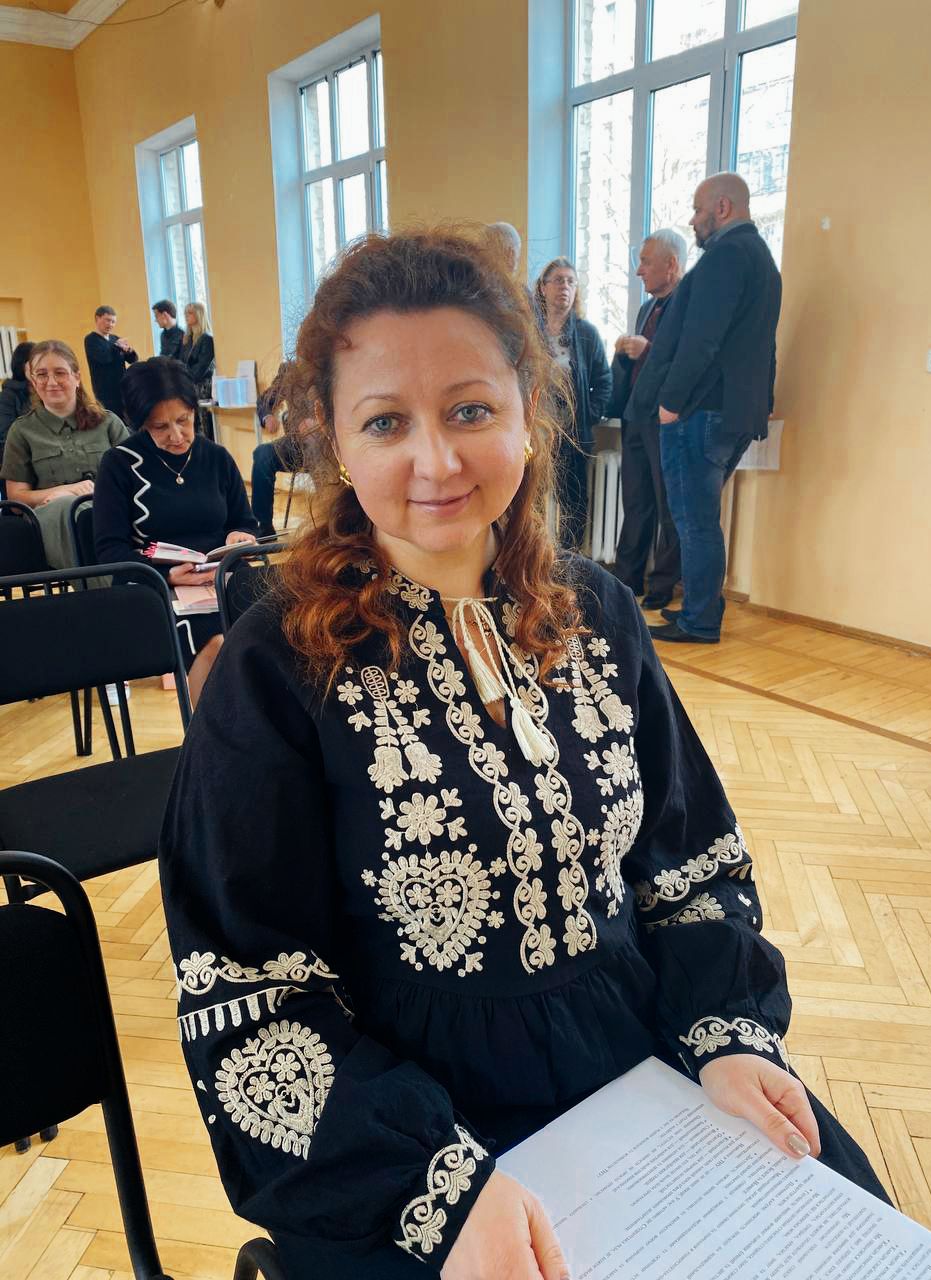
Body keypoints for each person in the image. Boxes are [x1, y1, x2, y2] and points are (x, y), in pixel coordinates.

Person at [158, 228, 888, 1280]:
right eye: (386, 421)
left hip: (644, 1061)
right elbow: (253, 997)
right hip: (410, 1138)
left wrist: (725, 1032)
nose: (437, 461)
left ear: (528, 408)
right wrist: (435, 1185)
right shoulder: (276, 669)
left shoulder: (601, 613)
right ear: (336, 442)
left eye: (469, 410)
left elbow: (689, 865)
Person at [634, 173, 781, 644]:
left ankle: (699, 620)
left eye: (698, 210)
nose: (694, 220)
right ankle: (702, 608)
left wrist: (671, 403)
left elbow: (701, 339)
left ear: (722, 208)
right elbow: (761, 345)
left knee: (695, 521)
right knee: (700, 518)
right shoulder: (761, 259)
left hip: (700, 411)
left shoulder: (726, 257)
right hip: (734, 411)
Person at [93, 356, 258, 705]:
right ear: (140, 424)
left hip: (220, 574)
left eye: (184, 420)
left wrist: (239, 536)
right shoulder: (119, 464)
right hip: (155, 585)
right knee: (215, 642)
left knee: (278, 625)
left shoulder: (216, 458)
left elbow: (243, 521)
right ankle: (212, 735)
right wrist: (167, 575)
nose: (177, 435)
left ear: (194, 410)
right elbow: (110, 552)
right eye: (160, 427)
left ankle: (268, 731)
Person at [608, 230, 686, 609]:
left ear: (671, 265)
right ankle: (627, 579)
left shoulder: (689, 306)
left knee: (668, 505)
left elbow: (687, 361)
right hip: (636, 415)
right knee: (636, 501)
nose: (639, 271)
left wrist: (648, 349)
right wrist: (625, 352)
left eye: (645, 262)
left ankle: (662, 586)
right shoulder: (646, 309)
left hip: (668, 419)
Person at [0, 340, 127, 567]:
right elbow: (16, 499)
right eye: (42, 375)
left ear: (76, 377)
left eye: (60, 373)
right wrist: (63, 492)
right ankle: (110, 583)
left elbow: (136, 479)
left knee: (92, 513)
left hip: (109, 512)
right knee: (68, 507)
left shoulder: (108, 422)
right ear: (33, 381)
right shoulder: (21, 431)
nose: (51, 382)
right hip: (53, 523)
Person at [534, 257, 611, 551]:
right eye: (558, 280)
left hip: (572, 435)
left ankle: (569, 562)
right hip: (535, 434)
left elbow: (604, 381)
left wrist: (589, 414)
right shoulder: (529, 330)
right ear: (543, 288)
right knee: (530, 501)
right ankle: (531, 558)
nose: (564, 287)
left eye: (570, 281)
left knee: (573, 504)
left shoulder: (586, 334)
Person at [250, 360, 301, 537]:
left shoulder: (332, 362)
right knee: (263, 453)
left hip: (328, 445)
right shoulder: (290, 370)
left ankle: (337, 526)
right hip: (297, 445)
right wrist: (267, 416)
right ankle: (263, 527)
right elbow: (265, 400)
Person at [84, 306, 138, 419]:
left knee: (128, 418)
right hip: (105, 391)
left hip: (122, 387)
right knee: (112, 420)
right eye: (107, 320)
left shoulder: (115, 338)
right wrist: (117, 346)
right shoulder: (91, 340)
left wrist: (128, 350)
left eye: (113, 322)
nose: (111, 324)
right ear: (97, 318)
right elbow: (105, 358)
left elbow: (133, 359)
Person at [179, 300, 215, 439]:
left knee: (202, 424)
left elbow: (201, 368)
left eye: (190, 313)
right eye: (185, 313)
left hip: (202, 387)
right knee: (191, 424)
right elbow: (181, 363)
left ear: (199, 315)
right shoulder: (187, 339)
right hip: (188, 386)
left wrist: (184, 376)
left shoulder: (207, 339)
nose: (186, 316)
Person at [0, 341, 34, 460]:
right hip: (20, 460)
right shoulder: (7, 397)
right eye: (34, 361)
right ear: (22, 365)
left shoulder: (45, 391)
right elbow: (6, 438)